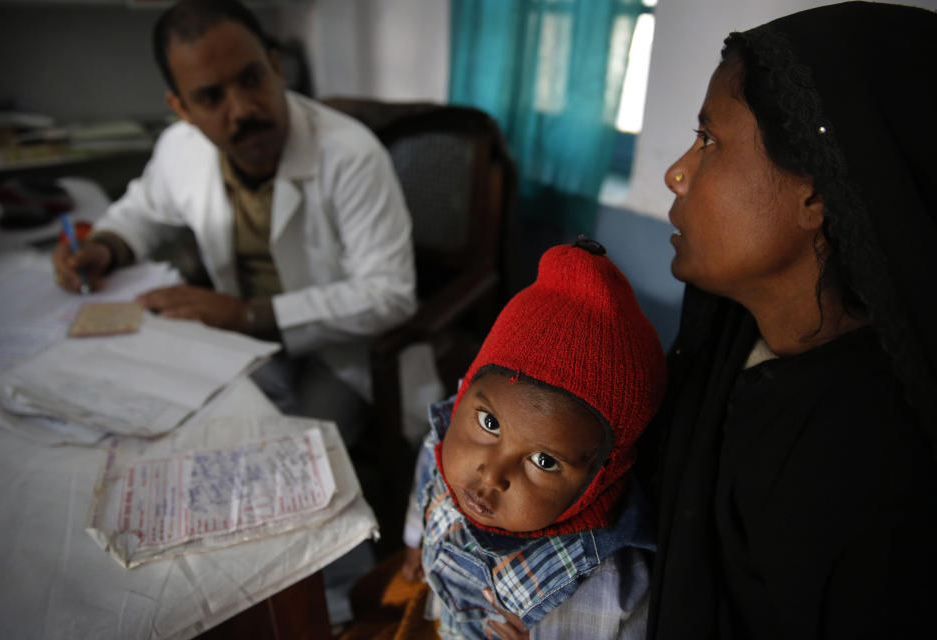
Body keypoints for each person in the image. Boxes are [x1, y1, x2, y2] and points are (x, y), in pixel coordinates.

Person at [642, 3, 937, 639]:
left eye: (711, 141)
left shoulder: (865, 472)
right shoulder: (734, 338)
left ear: (816, 194)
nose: (678, 171)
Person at [50, 0, 416, 444]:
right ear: (181, 107)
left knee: (290, 454)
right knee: (171, 433)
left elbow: (389, 293)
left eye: (252, 78)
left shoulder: (351, 155)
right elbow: (143, 212)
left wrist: (247, 313)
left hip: (337, 354)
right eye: (210, 97)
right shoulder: (180, 149)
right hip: (241, 344)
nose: (242, 109)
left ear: (277, 67)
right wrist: (104, 247)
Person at [342, 238, 667, 639]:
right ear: (464, 398)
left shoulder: (605, 582)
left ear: (598, 481)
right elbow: (426, 489)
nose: (492, 473)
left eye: (544, 462)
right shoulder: (446, 443)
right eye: (490, 424)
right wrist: (416, 542)